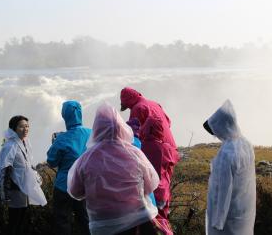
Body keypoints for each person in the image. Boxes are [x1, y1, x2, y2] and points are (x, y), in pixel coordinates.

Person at [67, 104, 159, 235]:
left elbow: (75, 192)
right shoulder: (134, 153)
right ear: (121, 127)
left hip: (102, 227)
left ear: (96, 129)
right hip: (137, 223)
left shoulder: (86, 159)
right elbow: (151, 185)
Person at [204, 100, 256, 235]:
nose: (216, 135)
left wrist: (217, 222)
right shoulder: (246, 144)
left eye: (215, 131)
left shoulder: (226, 153)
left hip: (227, 219)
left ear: (221, 127)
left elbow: (223, 190)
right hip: (243, 211)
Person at [0, 115, 47, 235]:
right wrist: (5, 193)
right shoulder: (11, 146)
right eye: (21, 126)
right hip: (15, 189)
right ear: (14, 129)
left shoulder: (24, 143)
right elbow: (5, 169)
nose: (25, 129)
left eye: (27, 126)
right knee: (15, 221)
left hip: (24, 187)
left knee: (21, 220)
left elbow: (26, 165)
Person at [47, 100, 91, 235]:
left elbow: (51, 162)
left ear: (65, 116)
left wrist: (55, 142)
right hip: (86, 185)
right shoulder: (92, 133)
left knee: (62, 221)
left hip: (64, 186)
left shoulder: (62, 139)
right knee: (86, 220)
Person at [140, 117, 180, 235]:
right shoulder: (166, 149)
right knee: (162, 223)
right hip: (162, 194)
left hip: (146, 193)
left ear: (145, 129)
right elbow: (176, 157)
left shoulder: (139, 147)